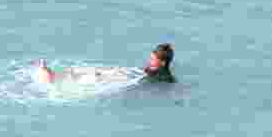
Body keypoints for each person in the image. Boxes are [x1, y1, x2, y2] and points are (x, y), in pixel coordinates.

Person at [33, 43, 176, 84]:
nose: (150, 61)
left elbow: (170, 83)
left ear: (162, 63)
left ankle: (53, 77)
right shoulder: (155, 68)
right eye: (151, 57)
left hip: (129, 79)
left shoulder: (165, 78)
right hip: (129, 74)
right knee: (95, 71)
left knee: (97, 77)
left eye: (153, 59)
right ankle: (55, 74)